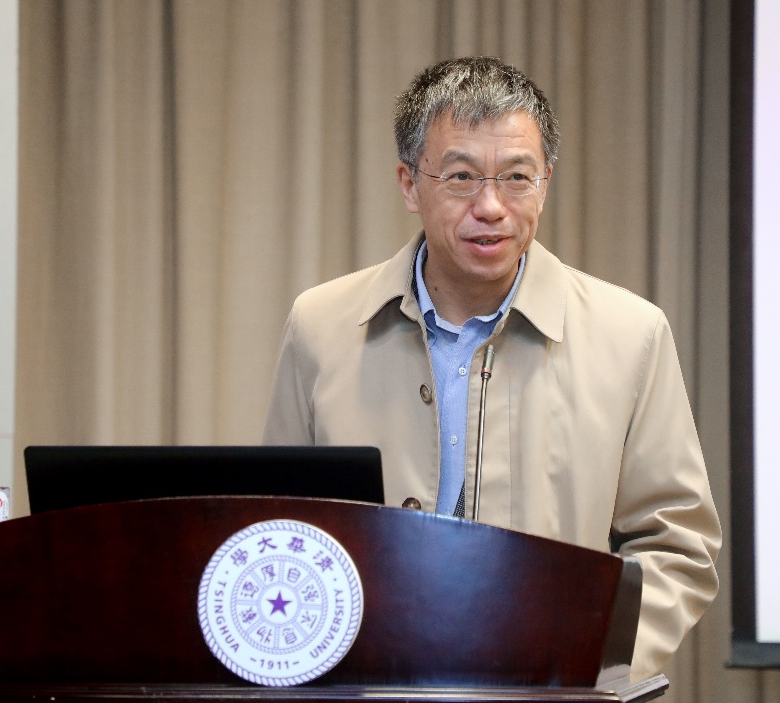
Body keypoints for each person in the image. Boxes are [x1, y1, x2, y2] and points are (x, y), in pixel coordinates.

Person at [262, 56, 720, 682]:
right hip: (364, 688)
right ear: (408, 184)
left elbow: (677, 546)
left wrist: (582, 658)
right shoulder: (321, 325)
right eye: (461, 177)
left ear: (545, 183)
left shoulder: (631, 334)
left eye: (517, 178)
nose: (491, 206)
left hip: (553, 692)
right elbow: (279, 529)